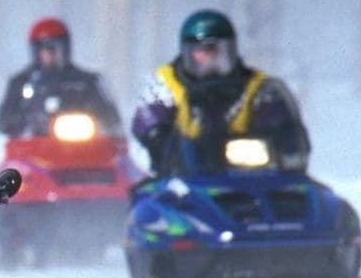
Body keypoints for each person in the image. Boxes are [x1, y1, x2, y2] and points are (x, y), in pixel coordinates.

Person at [130, 9, 308, 178]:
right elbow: (149, 119)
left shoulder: (259, 87)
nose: (211, 62)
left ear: (231, 51)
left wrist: (284, 140)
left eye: (218, 53)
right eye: (202, 54)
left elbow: (281, 123)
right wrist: (160, 141)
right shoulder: (165, 84)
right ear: (189, 54)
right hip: (182, 180)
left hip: (250, 178)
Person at [0, 17, 122, 137]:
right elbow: (3, 123)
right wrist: (27, 119)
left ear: (65, 49)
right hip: (32, 150)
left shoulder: (87, 81)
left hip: (83, 149)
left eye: (55, 48)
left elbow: (111, 117)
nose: (50, 54)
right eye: (45, 49)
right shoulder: (21, 82)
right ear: (36, 51)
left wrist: (97, 122)